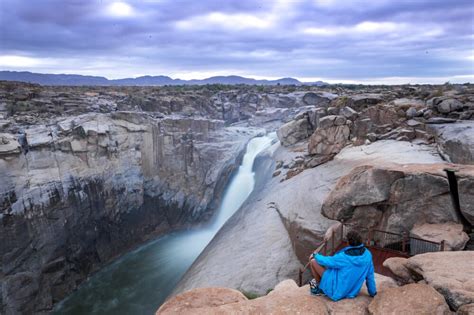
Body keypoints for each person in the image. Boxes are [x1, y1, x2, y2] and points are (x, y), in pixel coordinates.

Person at [308, 230, 377, 301]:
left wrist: (315, 255)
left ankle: (320, 288)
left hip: (336, 290)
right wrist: (373, 292)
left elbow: (327, 261)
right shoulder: (368, 255)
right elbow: (370, 276)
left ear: (348, 243)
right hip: (352, 291)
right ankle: (321, 286)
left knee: (313, 261)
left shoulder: (344, 256)